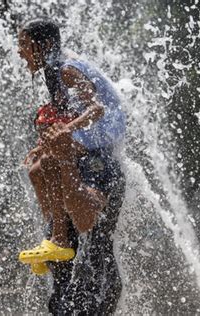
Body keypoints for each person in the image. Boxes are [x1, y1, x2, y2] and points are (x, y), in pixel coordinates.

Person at [16, 19, 126, 314]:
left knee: (51, 162)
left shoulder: (65, 69)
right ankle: (55, 235)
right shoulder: (53, 69)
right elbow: (68, 111)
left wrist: (67, 131)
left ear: (45, 45)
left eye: (25, 44)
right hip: (89, 136)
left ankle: (60, 237)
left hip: (102, 134)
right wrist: (49, 139)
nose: (20, 51)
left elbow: (97, 109)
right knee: (38, 168)